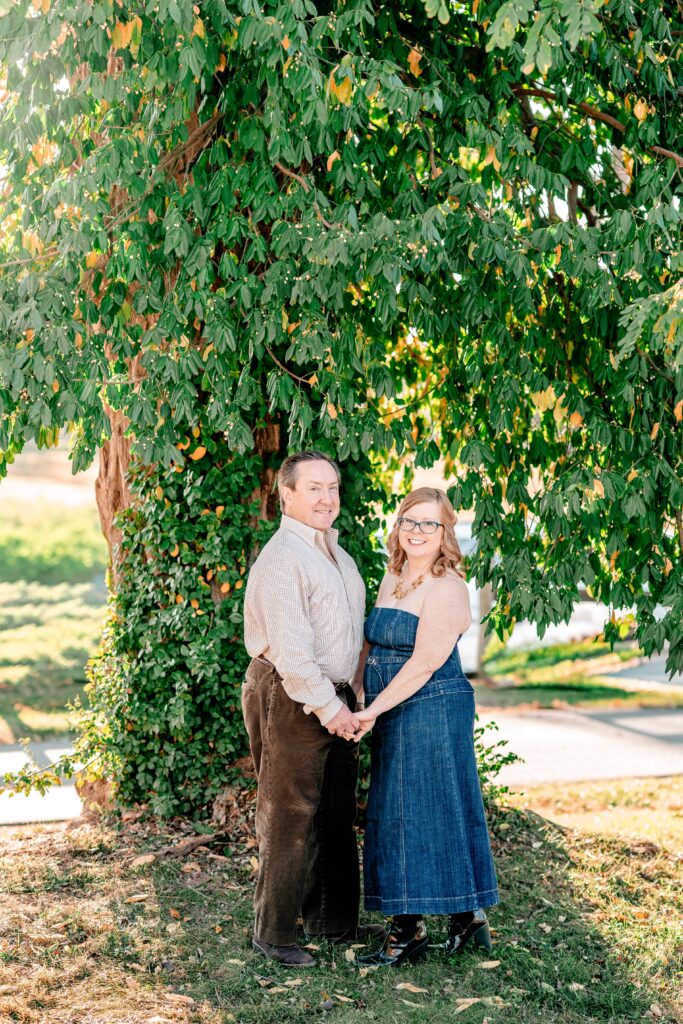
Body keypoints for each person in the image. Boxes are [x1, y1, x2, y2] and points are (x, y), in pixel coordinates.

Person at [242, 450, 383, 967]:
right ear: (287, 495)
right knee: (288, 814)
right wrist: (330, 709)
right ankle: (273, 933)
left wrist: (355, 700)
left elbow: (348, 636)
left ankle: (333, 921)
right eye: (314, 488)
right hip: (289, 691)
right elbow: (294, 653)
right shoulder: (283, 559)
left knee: (336, 813)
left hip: (335, 695)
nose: (327, 498)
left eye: (333, 487)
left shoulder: (337, 556)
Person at [351, 486, 499, 967]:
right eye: (409, 521)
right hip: (391, 703)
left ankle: (406, 933)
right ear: (398, 526)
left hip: (431, 703)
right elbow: (371, 644)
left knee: (415, 810)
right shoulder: (393, 575)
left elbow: (423, 663)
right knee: (406, 808)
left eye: (429, 524)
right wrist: (358, 693)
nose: (417, 532)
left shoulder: (449, 587)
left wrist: (371, 712)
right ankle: (465, 918)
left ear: (445, 533)